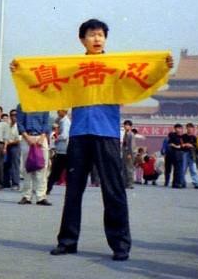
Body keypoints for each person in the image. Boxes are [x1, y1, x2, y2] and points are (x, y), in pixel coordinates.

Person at [44, 19, 173, 261]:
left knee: (114, 190)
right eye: (92, 35)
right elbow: (47, 83)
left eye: (101, 34)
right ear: (82, 39)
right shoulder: (73, 67)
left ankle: (120, 245)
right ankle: (67, 240)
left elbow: (139, 79)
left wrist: (162, 67)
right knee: (73, 191)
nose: (97, 39)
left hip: (107, 134)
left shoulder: (116, 67)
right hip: (80, 133)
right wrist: (20, 70)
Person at [16, 103, 51, 205]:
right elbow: (20, 123)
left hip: (41, 137)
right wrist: (27, 137)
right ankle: (26, 196)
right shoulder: (22, 105)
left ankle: (41, 196)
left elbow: (46, 123)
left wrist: (42, 136)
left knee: (42, 167)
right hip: (27, 137)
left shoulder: (44, 105)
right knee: (27, 168)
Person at [47, 109, 70, 194]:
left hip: (63, 150)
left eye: (59, 111)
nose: (57, 112)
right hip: (61, 149)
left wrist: (57, 137)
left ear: (64, 112)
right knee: (56, 171)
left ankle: (47, 188)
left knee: (55, 171)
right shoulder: (61, 121)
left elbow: (64, 135)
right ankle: (48, 187)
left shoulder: (65, 122)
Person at [4, 109, 21, 190]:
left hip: (15, 146)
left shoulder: (19, 125)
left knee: (15, 165)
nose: (14, 117)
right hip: (7, 146)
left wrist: (9, 142)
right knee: (6, 164)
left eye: (15, 115)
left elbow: (18, 139)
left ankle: (16, 183)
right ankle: (6, 182)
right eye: (12, 115)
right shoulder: (8, 125)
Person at [181, 123, 198, 189]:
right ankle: (182, 183)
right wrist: (185, 144)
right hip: (184, 153)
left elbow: (197, 146)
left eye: (191, 128)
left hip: (192, 155)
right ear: (186, 128)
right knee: (183, 169)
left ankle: (197, 184)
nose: (189, 129)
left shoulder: (194, 137)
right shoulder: (183, 136)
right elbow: (181, 145)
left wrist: (191, 145)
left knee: (193, 169)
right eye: (188, 127)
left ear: (193, 129)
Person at [168, 124, 185, 188]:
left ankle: (178, 183)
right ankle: (177, 183)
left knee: (179, 169)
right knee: (177, 169)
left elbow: (184, 144)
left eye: (179, 128)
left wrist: (181, 146)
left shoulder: (183, 136)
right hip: (175, 153)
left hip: (181, 153)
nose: (178, 129)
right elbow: (170, 143)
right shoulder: (173, 135)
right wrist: (176, 146)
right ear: (175, 129)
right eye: (176, 128)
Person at [121, 120, 135, 189]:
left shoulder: (130, 134)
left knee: (129, 169)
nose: (125, 126)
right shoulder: (126, 133)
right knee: (124, 169)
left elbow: (132, 145)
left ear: (130, 126)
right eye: (124, 125)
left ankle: (130, 184)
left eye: (127, 125)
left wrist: (130, 154)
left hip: (129, 154)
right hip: (125, 153)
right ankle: (125, 183)